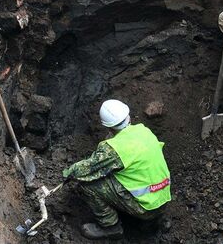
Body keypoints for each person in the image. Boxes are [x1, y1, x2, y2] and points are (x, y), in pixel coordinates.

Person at [63, 99, 171, 240]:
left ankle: (110, 227)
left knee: (88, 184)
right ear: (128, 117)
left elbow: (85, 171)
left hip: (145, 207)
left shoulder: (114, 149)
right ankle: (154, 222)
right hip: (163, 199)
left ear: (107, 126)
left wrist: (66, 173)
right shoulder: (144, 131)